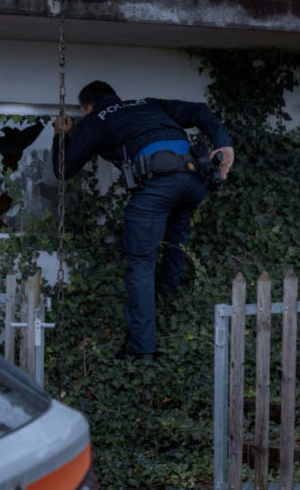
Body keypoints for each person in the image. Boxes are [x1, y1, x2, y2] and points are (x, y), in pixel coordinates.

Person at [53, 80, 235, 361]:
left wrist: (62, 135)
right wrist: (223, 143)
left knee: (141, 263)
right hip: (194, 181)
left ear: (87, 107)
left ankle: (142, 350)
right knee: (176, 235)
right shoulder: (148, 104)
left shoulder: (97, 118)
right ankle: (167, 297)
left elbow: (63, 169)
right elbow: (199, 111)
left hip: (158, 183)